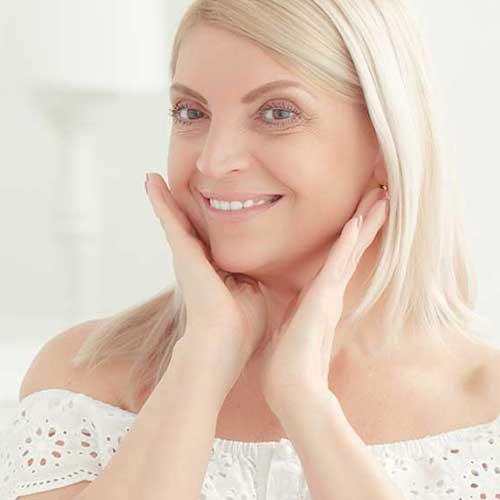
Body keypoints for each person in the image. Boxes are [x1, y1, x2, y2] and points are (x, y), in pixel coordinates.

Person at [2, 1, 500, 499]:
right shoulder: (83, 380)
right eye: (191, 112)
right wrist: (202, 360)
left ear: (385, 141)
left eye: (277, 113)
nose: (213, 161)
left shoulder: (486, 404)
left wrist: (306, 404)